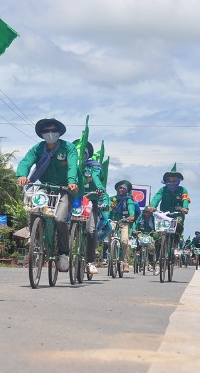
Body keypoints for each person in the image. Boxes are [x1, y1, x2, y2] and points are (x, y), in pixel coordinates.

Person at [16, 118, 80, 272]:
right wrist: (22, 175)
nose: (50, 133)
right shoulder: (37, 149)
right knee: (34, 209)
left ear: (59, 132)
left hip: (64, 189)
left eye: (53, 130)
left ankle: (63, 253)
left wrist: (72, 181)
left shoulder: (68, 148)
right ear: (42, 134)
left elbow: (72, 166)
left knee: (59, 219)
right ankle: (35, 240)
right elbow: (25, 162)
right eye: (46, 131)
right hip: (44, 187)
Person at [74, 139, 109, 275]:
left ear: (87, 154)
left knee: (90, 230)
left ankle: (90, 261)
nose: (80, 156)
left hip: (90, 202)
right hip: (74, 201)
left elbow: (95, 176)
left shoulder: (92, 166)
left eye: (83, 153)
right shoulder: (69, 165)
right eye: (78, 153)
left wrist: (100, 188)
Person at [148, 163, 190, 264]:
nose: (171, 183)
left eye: (173, 181)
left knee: (178, 226)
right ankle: (158, 257)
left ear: (178, 181)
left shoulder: (182, 190)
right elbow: (156, 198)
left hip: (177, 214)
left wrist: (185, 208)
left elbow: (185, 200)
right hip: (164, 214)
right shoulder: (162, 190)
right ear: (166, 181)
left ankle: (175, 243)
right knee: (159, 236)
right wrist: (152, 206)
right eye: (169, 181)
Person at [109, 180, 139, 273]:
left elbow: (131, 208)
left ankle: (125, 262)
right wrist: (110, 206)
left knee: (125, 241)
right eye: (120, 188)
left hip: (124, 222)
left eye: (123, 188)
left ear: (127, 190)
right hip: (113, 220)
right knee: (109, 231)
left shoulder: (129, 200)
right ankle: (111, 255)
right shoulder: (112, 199)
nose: (121, 189)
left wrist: (131, 216)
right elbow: (106, 206)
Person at [132, 206, 159, 270]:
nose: (147, 214)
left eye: (148, 212)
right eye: (146, 212)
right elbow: (135, 224)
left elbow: (156, 225)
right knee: (138, 241)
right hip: (142, 233)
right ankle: (138, 252)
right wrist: (134, 230)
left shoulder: (153, 218)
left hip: (150, 234)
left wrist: (156, 231)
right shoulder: (141, 217)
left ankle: (151, 263)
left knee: (151, 248)